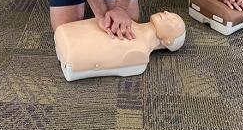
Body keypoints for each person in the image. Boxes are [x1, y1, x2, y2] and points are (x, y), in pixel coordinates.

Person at [54, 11, 185, 81]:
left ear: (169, 41)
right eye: (170, 13)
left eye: (173, 20)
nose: (167, 13)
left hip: (73, 55)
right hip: (67, 37)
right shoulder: (129, 21)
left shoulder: (139, 52)